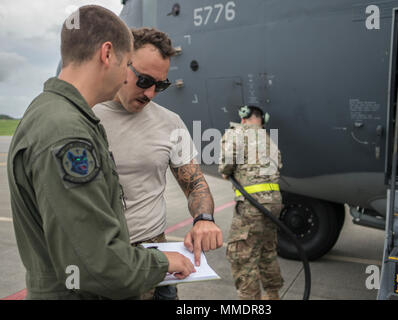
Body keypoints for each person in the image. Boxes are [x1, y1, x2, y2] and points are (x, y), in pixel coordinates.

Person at [7, 5, 195, 300]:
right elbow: (97, 264)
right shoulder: (67, 132)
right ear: (107, 54)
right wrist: (162, 262)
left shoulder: (50, 111)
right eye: (128, 65)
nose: (125, 79)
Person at [93, 27, 223, 300]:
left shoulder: (170, 123)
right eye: (143, 80)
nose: (150, 93)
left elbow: (196, 184)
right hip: (103, 259)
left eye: (160, 85)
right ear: (120, 62)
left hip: (155, 258)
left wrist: (204, 219)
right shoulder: (87, 115)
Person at [219, 105, 284, 300]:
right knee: (267, 250)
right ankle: (273, 295)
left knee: (242, 256)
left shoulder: (237, 132)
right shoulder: (268, 140)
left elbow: (226, 163)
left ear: (244, 117)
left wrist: (226, 170)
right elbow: (278, 166)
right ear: (263, 119)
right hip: (274, 203)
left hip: (252, 204)